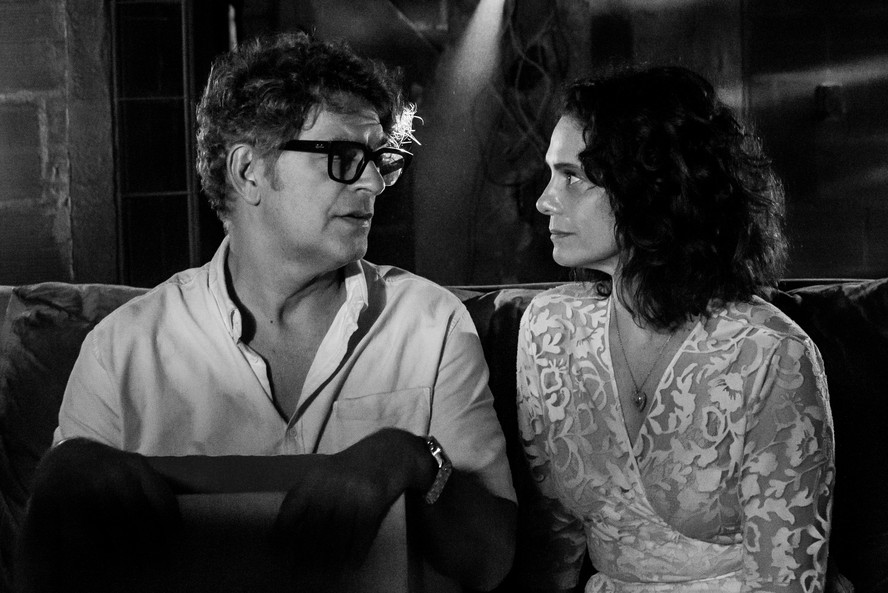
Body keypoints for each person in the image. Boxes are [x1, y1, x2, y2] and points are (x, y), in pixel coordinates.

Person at [16, 32, 516, 592]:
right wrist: (64, 481)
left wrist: (414, 459)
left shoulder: (430, 323)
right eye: (345, 158)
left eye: (380, 159)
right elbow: (45, 570)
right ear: (248, 171)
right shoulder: (123, 349)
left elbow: (491, 561)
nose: (375, 181)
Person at [515, 66, 834, 592]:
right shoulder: (549, 330)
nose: (544, 200)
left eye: (572, 177)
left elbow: (786, 581)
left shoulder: (768, 353)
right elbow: (552, 547)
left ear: (649, 186)